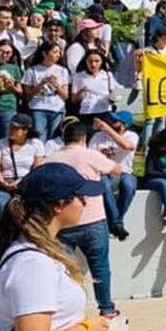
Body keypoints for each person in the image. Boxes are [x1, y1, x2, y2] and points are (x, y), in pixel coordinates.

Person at [0, 163, 117, 331]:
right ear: (59, 205)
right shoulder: (34, 266)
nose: (85, 202)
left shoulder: (35, 255)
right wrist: (85, 330)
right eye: (79, 196)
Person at [44, 120, 121, 317]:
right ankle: (107, 309)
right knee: (100, 267)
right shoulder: (91, 155)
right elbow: (117, 170)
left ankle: (65, 311)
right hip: (93, 219)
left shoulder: (51, 159)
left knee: (63, 270)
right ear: (84, 138)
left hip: (62, 222)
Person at [88, 112, 138, 241]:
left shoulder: (132, 136)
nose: (110, 122)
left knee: (129, 186)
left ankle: (116, 222)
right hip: (104, 172)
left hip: (124, 172)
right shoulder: (98, 136)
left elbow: (126, 146)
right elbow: (90, 154)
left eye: (115, 121)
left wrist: (107, 129)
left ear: (124, 125)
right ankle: (117, 225)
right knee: (104, 184)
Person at [0, 113, 45, 214]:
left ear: (25, 130)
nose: (11, 130)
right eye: (10, 127)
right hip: (5, 182)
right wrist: (4, 184)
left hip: (27, 181)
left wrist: (21, 181)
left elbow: (37, 168)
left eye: (15, 128)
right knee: (3, 204)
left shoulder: (37, 144)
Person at [69, 50, 116, 125]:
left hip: (105, 111)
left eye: (97, 61)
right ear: (85, 62)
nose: (93, 64)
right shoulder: (79, 76)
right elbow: (73, 100)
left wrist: (112, 99)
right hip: (87, 112)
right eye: (90, 61)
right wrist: (80, 93)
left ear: (102, 61)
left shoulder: (107, 75)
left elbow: (112, 92)